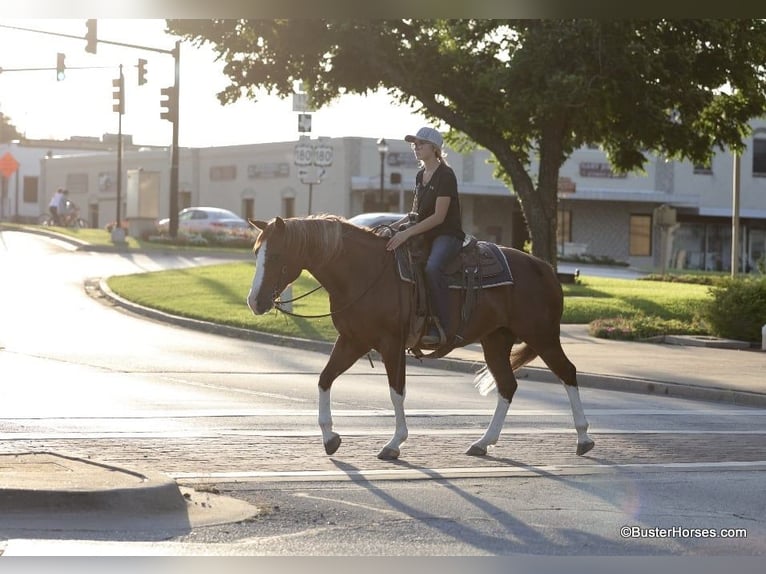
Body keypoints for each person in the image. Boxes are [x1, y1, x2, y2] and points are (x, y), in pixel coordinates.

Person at [386, 127, 465, 346]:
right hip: (425, 235)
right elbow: (415, 213)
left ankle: (442, 324)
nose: (416, 147)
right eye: (414, 144)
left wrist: (407, 234)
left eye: (421, 144)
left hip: (447, 235)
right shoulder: (421, 175)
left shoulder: (446, 175)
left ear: (435, 148)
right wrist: (392, 228)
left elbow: (439, 217)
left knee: (432, 267)